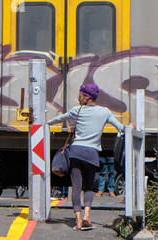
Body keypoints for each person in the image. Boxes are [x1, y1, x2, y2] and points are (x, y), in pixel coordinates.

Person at [48, 82, 123, 230]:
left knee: (76, 187)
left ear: (86, 96)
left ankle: (78, 220)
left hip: (76, 152)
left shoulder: (77, 110)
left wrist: (45, 123)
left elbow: (58, 119)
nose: (79, 97)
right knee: (88, 187)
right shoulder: (104, 112)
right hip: (92, 153)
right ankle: (87, 216)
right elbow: (120, 128)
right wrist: (132, 127)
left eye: (80, 94)